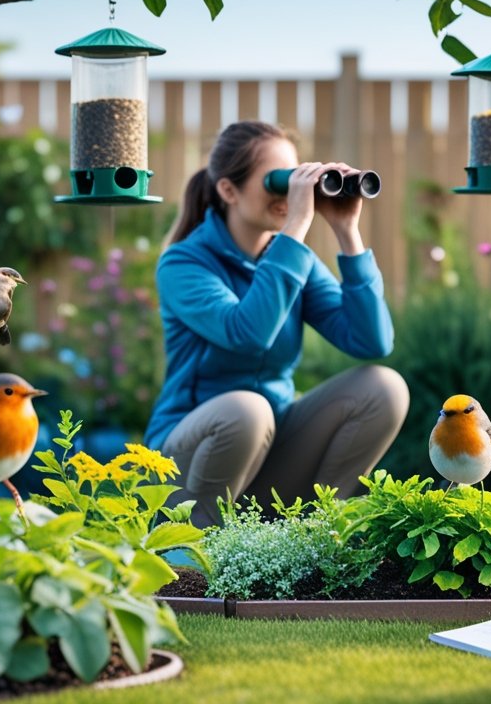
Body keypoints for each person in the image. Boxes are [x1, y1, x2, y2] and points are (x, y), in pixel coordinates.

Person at [146, 121, 409, 528]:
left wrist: (346, 232)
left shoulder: (290, 258)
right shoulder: (184, 264)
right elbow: (246, 334)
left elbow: (372, 341)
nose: (290, 193)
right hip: (181, 469)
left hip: (267, 456)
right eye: (279, 181)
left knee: (383, 387)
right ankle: (194, 552)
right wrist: (296, 228)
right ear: (228, 191)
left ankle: (314, 533)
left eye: (295, 177)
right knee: (247, 409)